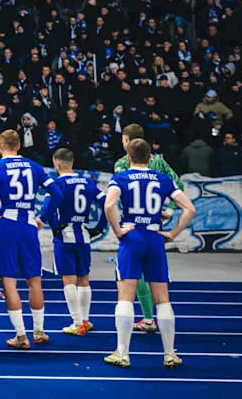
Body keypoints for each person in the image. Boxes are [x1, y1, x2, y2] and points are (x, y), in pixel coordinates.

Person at [104, 138, 197, 368]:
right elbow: (189, 209)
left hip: (132, 236)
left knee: (126, 295)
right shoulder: (162, 178)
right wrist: (173, 233)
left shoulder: (121, 177)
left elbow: (108, 206)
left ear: (128, 157)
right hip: (155, 238)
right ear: (150, 158)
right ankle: (169, 354)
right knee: (162, 298)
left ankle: (122, 353)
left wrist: (118, 230)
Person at [0, 130, 50, 349]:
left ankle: (21, 336)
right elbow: (56, 193)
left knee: (9, 281)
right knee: (34, 279)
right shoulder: (35, 167)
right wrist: (42, 218)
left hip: (6, 225)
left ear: (0, 145)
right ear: (19, 145)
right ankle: (39, 331)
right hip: (28, 225)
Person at [113, 125, 183, 334]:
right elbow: (177, 183)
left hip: (132, 226)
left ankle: (144, 322)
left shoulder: (122, 164)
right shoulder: (159, 162)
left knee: (129, 279)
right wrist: (169, 210)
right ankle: (167, 347)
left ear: (127, 141)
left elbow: (113, 200)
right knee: (158, 283)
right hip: (154, 225)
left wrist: (117, 227)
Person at [40, 148, 106, 336]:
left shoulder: (55, 184)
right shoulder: (87, 182)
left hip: (65, 236)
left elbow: (48, 207)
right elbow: (106, 203)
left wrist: (55, 227)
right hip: (83, 235)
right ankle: (84, 320)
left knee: (68, 280)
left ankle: (77, 323)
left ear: (57, 164)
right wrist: (99, 227)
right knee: (84, 278)